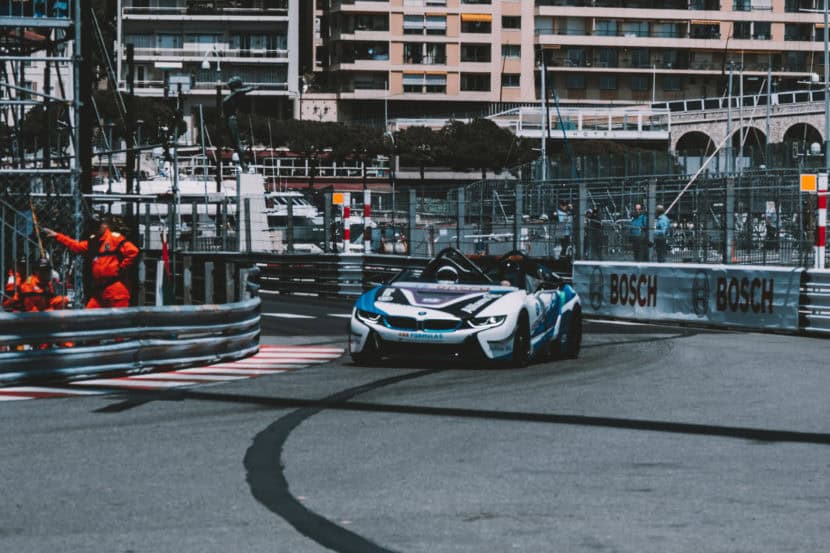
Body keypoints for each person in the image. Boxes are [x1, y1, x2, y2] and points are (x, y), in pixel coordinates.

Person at [43, 215, 139, 308]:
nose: (95, 229)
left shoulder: (115, 239)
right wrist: (57, 236)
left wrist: (121, 268)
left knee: (119, 321)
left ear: (104, 225)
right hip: (99, 292)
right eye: (93, 226)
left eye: (97, 225)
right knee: (89, 317)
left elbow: (133, 252)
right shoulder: (93, 242)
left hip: (115, 290)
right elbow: (77, 246)